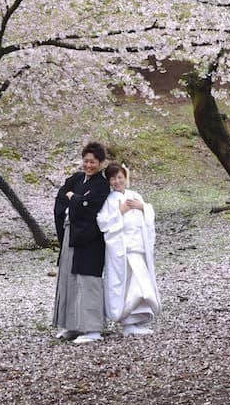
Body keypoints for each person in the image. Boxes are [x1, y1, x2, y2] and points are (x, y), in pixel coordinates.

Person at [52, 141, 111, 344]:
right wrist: (77, 198)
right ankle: (72, 325)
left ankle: (93, 328)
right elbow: (61, 196)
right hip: (72, 234)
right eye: (86, 161)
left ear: (101, 163)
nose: (88, 165)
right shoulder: (77, 178)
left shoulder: (102, 185)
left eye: (93, 162)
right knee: (68, 279)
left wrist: (74, 199)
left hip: (90, 238)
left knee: (88, 281)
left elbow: (89, 207)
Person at [96, 162, 160, 337]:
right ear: (109, 181)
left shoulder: (135, 195)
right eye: (113, 179)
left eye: (119, 177)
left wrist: (143, 208)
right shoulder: (109, 201)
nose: (117, 181)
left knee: (141, 285)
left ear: (125, 177)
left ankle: (137, 320)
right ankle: (127, 322)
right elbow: (103, 222)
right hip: (122, 251)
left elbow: (148, 213)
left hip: (138, 248)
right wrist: (120, 212)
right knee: (126, 286)